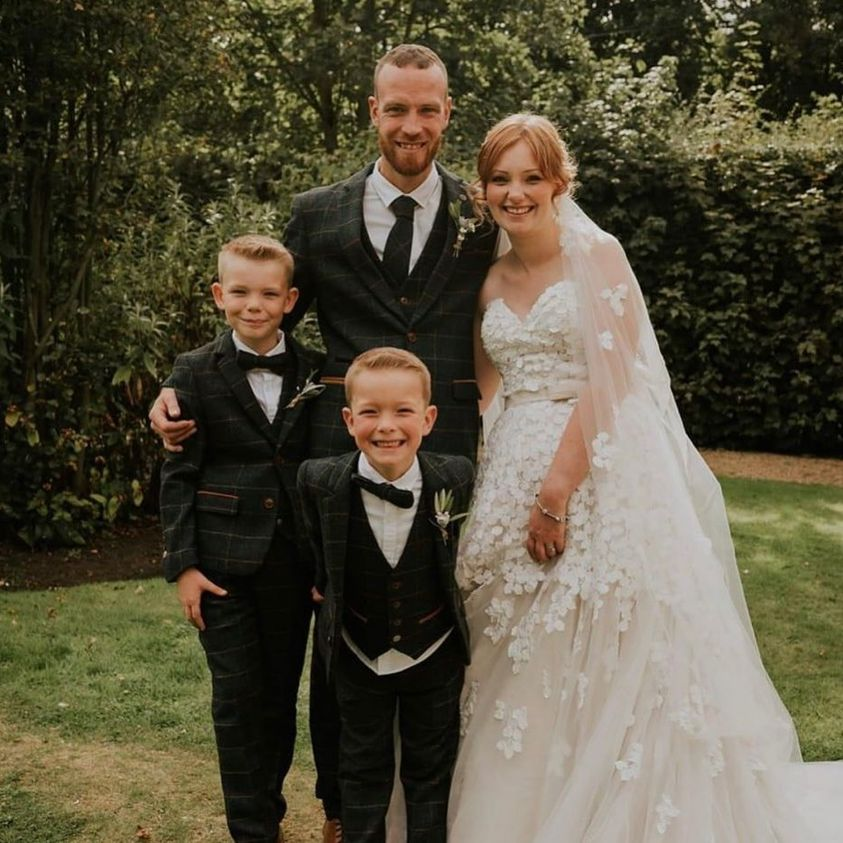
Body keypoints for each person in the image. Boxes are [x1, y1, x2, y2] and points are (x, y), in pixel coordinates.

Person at [446, 114, 842, 841]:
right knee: (517, 646)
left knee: (611, 636)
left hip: (596, 473)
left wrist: (555, 493)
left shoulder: (597, 257)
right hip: (509, 467)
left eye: (531, 176)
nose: (515, 192)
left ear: (559, 182)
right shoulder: (489, 276)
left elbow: (613, 380)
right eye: (500, 178)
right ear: (483, 188)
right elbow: (481, 389)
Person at [149, 44, 498, 842]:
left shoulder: (481, 211)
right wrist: (176, 387)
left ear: (447, 113)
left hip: (444, 452)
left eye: (428, 108)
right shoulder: (317, 213)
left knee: (417, 643)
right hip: (336, 459)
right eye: (397, 107)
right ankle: (319, 813)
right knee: (337, 644)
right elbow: (260, 310)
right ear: (373, 111)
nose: (412, 123)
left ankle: (396, 809)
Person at [159, 234, 324, 843]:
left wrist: (324, 567)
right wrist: (183, 565)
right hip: (220, 565)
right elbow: (177, 472)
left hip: (291, 562)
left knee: (280, 694)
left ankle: (270, 808)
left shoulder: (315, 371)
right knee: (236, 696)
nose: (253, 305)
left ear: (290, 299)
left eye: (268, 294)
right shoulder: (193, 372)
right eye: (240, 292)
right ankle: (250, 829)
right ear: (218, 295)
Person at [297, 348, 474, 843]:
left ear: (429, 418)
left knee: (430, 772)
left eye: (403, 411)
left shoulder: (456, 477)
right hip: (359, 653)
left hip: (434, 651)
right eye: (371, 412)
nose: (387, 426)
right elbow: (318, 547)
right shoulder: (318, 480)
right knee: (361, 770)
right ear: (349, 419)